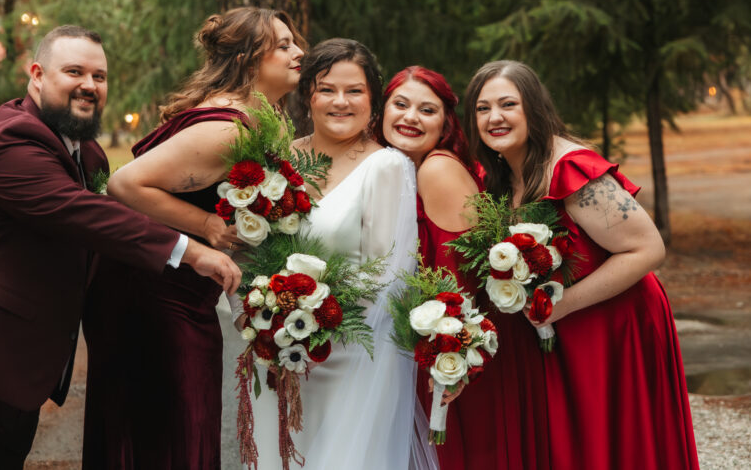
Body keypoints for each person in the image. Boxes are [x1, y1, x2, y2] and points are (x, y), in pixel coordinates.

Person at [0, 25, 240, 469]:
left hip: (16, 371)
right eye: (74, 72)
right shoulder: (11, 141)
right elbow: (83, 216)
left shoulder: (89, 155)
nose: (89, 86)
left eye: (100, 77)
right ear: (37, 75)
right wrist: (193, 249)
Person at [81, 7, 306, 469]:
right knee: (169, 423)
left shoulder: (264, 116)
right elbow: (125, 185)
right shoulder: (226, 126)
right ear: (248, 59)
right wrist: (206, 229)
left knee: (183, 420)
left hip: (178, 287)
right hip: (148, 293)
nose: (298, 52)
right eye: (283, 45)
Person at [464, 60, 699, 470]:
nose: (494, 117)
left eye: (507, 104)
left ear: (533, 109)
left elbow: (647, 249)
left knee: (613, 442)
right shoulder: (500, 174)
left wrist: (565, 304)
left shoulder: (570, 168)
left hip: (614, 322)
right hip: (566, 324)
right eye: (482, 108)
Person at [249, 39, 434, 469]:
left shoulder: (386, 166)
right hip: (276, 350)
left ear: (372, 98)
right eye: (327, 88)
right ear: (307, 95)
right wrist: (268, 318)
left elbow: (386, 276)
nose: (340, 102)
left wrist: (312, 321)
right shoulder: (280, 160)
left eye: (355, 91)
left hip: (352, 355)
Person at [378, 66, 550, 469]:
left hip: (457, 347)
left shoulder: (437, 169)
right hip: (425, 338)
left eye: (427, 110)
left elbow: (467, 274)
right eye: (400, 105)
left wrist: (453, 357)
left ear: (445, 123)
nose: (410, 118)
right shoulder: (398, 168)